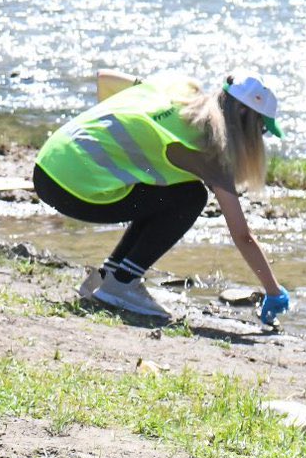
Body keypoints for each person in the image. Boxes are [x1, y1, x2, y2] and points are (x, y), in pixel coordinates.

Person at [32, 71, 292, 328]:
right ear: (245, 116)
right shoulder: (211, 150)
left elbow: (104, 79)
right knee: (191, 196)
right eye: (261, 129)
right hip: (72, 190)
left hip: (47, 164)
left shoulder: (179, 87)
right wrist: (273, 290)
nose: (260, 139)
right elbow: (242, 235)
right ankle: (122, 283)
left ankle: (108, 276)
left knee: (164, 187)